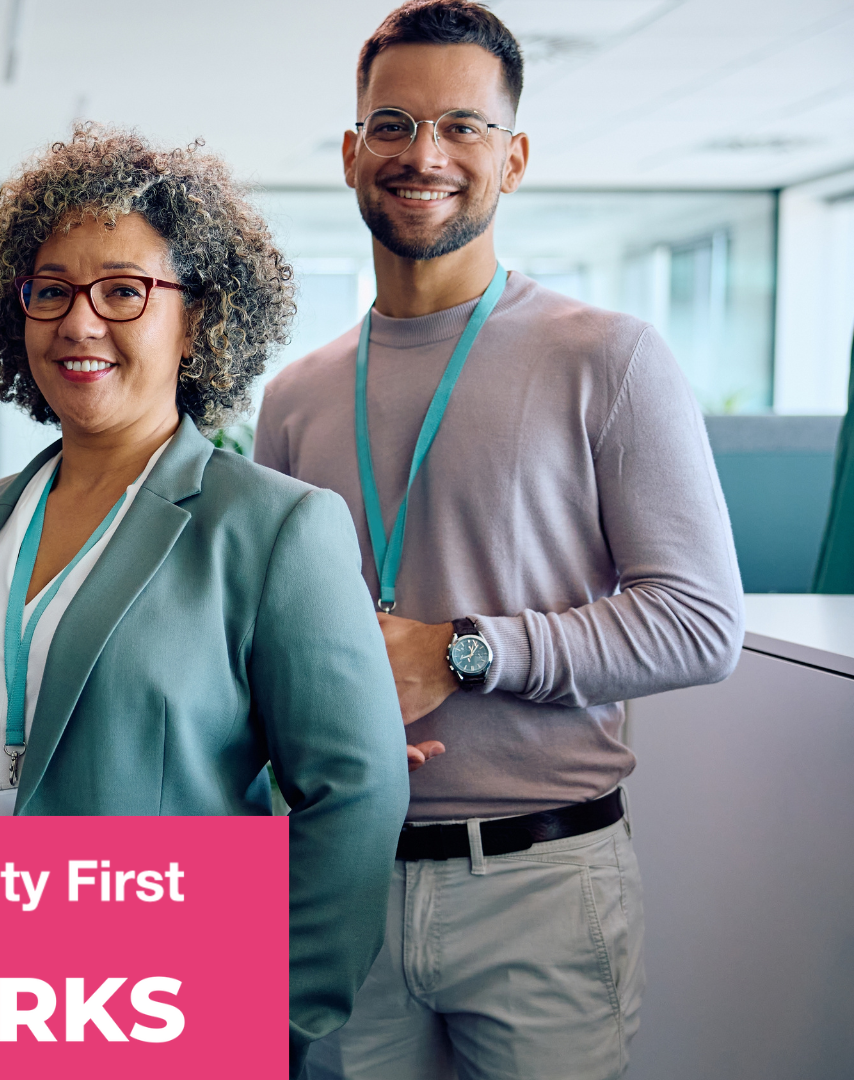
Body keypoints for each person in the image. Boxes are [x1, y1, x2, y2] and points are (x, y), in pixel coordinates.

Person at [254, 4, 745, 1077]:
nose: (423, 154)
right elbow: (271, 637)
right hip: (342, 877)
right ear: (351, 154)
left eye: (463, 127)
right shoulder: (295, 397)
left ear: (511, 158)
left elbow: (701, 624)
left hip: (542, 883)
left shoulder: (607, 358)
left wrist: (459, 650)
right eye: (392, 124)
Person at [0, 126, 412, 1074]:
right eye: (52, 291)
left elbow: (355, 796)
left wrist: (271, 1018)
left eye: (124, 290)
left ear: (198, 317)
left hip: (168, 1021)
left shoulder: (274, 528)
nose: (79, 323)